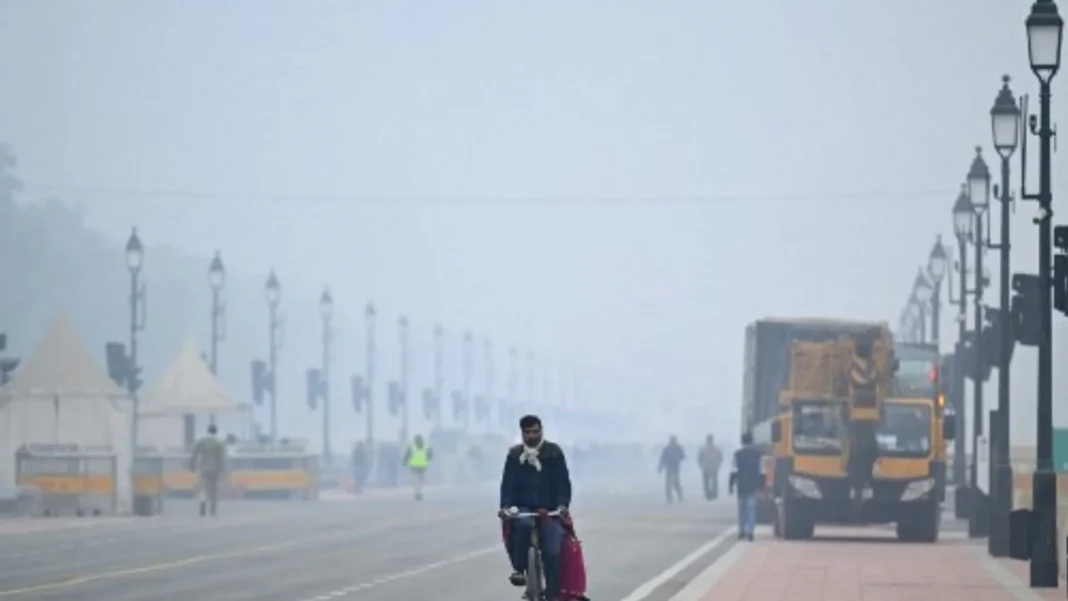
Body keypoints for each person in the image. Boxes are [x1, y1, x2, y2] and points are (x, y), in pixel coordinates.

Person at [498, 414, 572, 601]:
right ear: (522, 433)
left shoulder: (553, 452)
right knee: (522, 525)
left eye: (535, 431)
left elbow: (564, 483)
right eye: (527, 432)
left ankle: (553, 594)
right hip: (523, 507)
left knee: (553, 550)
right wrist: (505, 507)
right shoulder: (515, 455)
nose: (532, 436)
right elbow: (507, 484)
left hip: (550, 510)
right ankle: (519, 569)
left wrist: (563, 505)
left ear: (541, 431)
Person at [729, 432, 764, 541]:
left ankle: (742, 531)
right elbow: (762, 471)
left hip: (741, 484)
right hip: (753, 484)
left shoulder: (737, 454)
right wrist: (762, 486)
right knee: (751, 509)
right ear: (751, 441)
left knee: (742, 509)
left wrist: (731, 486)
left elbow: (734, 471)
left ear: (742, 441)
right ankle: (751, 532)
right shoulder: (758, 454)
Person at [190, 424, 227, 517]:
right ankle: (212, 509)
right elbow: (221, 458)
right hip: (215, 469)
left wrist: (192, 466)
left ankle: (202, 507)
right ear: (216, 431)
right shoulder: (219, 443)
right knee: (214, 489)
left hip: (203, 468)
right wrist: (223, 470)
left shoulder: (201, 442)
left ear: (207, 430)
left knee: (203, 488)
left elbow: (194, 454)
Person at [402, 435, 433, 500]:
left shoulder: (412, 446)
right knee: (421, 480)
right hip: (423, 466)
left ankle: (417, 493)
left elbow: (407, 454)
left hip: (414, 466)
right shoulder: (426, 446)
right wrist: (428, 459)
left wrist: (404, 462)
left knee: (416, 480)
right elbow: (430, 454)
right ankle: (420, 492)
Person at [658, 435, 685, 503]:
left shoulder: (678, 448)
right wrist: (660, 467)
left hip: (675, 468)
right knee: (668, 485)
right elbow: (663, 458)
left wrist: (677, 460)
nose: (673, 441)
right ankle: (669, 498)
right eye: (672, 440)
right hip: (669, 468)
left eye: (673, 440)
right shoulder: (667, 448)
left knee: (675, 484)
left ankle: (680, 496)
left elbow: (682, 456)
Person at [698, 434, 723, 501]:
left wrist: (718, 465)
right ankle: (708, 495)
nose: (710, 441)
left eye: (710, 439)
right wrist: (701, 465)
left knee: (714, 482)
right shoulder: (703, 449)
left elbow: (720, 458)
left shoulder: (716, 448)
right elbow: (699, 458)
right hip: (706, 467)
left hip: (714, 467)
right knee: (706, 482)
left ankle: (714, 494)